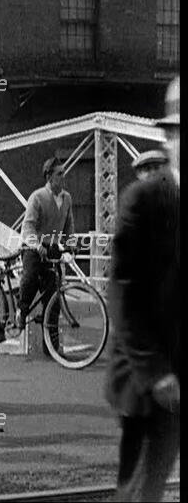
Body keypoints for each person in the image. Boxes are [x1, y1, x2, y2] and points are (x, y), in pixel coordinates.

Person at [105, 76, 180, 502]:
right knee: (140, 492)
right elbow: (124, 296)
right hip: (149, 381)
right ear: (170, 139)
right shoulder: (144, 200)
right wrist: (157, 374)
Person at [16, 157, 75, 354]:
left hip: (52, 248)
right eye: (59, 174)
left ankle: (52, 348)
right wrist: (35, 244)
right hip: (34, 248)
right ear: (49, 176)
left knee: (54, 297)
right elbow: (28, 225)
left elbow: (68, 227)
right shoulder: (38, 197)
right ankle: (21, 311)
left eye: (63, 173)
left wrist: (70, 246)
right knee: (31, 278)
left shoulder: (67, 198)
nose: (63, 177)